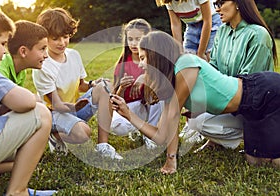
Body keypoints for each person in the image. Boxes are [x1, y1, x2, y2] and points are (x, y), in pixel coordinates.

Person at [110, 31, 280, 172]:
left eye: (143, 58)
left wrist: (171, 161)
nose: (140, 64)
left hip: (265, 92)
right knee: (255, 161)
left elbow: (174, 116)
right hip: (247, 110)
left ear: (156, 56)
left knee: (274, 163)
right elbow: (161, 136)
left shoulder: (186, 63)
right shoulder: (171, 85)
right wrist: (128, 114)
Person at [178, 0, 278, 154]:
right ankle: (218, 141)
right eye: (215, 5)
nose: (216, 9)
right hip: (230, 99)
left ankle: (261, 133)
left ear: (238, 3)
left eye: (220, 3)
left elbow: (250, 90)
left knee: (201, 121)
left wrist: (212, 106)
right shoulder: (223, 31)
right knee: (195, 120)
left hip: (253, 105)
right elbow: (214, 70)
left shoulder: (258, 35)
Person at [0, 5, 56, 195]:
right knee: (41, 114)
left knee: (26, 148)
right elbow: (26, 103)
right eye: (3, 43)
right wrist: (35, 97)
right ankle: (17, 191)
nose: (6, 51)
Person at [33, 8, 123, 160]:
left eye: (65, 37)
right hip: (54, 113)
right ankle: (52, 134)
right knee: (83, 134)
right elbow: (56, 105)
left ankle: (103, 146)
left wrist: (94, 84)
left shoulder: (73, 55)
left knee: (105, 86)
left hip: (75, 107)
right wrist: (76, 107)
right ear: (44, 37)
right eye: (55, 38)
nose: (62, 43)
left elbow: (81, 86)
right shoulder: (43, 65)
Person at [110, 18, 162, 149]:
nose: (133, 44)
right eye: (130, 39)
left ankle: (150, 134)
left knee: (160, 97)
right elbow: (115, 97)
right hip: (131, 106)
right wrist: (122, 87)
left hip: (149, 103)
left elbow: (163, 83)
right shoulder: (122, 64)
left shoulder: (153, 60)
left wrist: (145, 76)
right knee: (116, 126)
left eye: (138, 39)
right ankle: (139, 127)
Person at [156, 0, 222, 61]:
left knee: (209, 55)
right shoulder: (169, 1)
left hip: (212, 22)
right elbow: (176, 25)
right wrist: (179, 52)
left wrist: (201, 52)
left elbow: (207, 21)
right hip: (192, 26)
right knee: (188, 58)